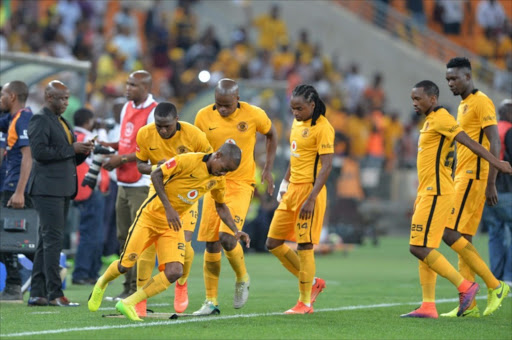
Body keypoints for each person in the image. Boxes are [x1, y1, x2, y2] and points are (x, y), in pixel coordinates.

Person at [88, 143, 250, 321]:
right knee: (125, 265)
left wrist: (236, 229)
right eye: (224, 168)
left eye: (228, 172)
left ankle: (128, 303)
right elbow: (157, 174)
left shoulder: (218, 180)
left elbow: (220, 205)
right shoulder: (188, 160)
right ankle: (101, 282)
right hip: (149, 217)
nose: (223, 173)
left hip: (171, 225)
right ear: (217, 155)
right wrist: (168, 208)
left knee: (174, 271)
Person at [400, 80, 512, 319]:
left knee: (421, 246)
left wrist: (497, 163)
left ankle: (467, 286)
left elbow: (471, 143)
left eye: (418, 99)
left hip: (437, 190)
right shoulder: (432, 120)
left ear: (432, 99)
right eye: (412, 99)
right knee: (425, 246)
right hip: (427, 190)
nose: (414, 103)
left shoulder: (442, 118)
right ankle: (428, 305)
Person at [193, 78, 277, 315]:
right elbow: (198, 148)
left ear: (237, 99)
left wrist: (268, 168)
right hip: (213, 182)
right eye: (218, 104)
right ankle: (211, 302)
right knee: (211, 242)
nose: (222, 109)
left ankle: (242, 277)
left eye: (227, 105)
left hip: (240, 183)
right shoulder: (202, 117)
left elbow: (272, 133)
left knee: (227, 237)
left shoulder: (253, 115)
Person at [441, 57, 510, 317]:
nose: (450, 83)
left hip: (474, 177)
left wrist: (491, 182)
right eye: (448, 79)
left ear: (468, 77)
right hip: (464, 175)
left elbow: (495, 142)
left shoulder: (481, 102)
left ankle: (495, 285)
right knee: (464, 239)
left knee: (448, 232)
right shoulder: (464, 105)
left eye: (455, 78)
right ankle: (468, 303)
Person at [133, 101, 212, 316]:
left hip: (187, 195)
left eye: (167, 126)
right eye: (159, 126)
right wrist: (156, 167)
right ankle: (140, 297)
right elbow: (140, 164)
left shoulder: (194, 135)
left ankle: (181, 283)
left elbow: (210, 162)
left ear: (176, 120)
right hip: (158, 192)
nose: (163, 130)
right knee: (147, 246)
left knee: (184, 245)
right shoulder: (145, 134)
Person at [265, 84, 333, 314]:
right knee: (273, 242)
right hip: (292, 189)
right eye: (292, 108)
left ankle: (304, 302)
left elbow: (326, 166)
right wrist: (284, 183)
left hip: (310, 191)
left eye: (300, 108)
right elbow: (295, 158)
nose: (295, 112)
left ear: (312, 105)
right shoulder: (296, 123)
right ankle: (313, 282)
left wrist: (312, 197)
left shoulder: (323, 128)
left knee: (305, 245)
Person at [26, 80, 94, 307]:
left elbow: (68, 158)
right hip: (47, 189)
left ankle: (38, 294)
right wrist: (71, 149)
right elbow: (40, 153)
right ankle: (55, 293)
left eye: (67, 98)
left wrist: (82, 152)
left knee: (46, 242)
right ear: (48, 97)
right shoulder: (39, 119)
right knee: (53, 241)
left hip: (61, 188)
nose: (65, 102)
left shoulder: (61, 121)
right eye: (61, 98)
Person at [101, 70, 157, 300]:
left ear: (145, 87)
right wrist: (110, 145)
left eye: (133, 85)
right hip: (124, 182)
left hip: (141, 183)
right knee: (123, 236)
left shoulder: (154, 112)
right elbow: (127, 143)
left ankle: (138, 287)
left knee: (139, 237)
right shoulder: (126, 107)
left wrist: (121, 159)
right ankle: (128, 285)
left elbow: (152, 149)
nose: (127, 88)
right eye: (127, 83)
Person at [0, 81, 33, 302]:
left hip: (14, 187)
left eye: (2, 94)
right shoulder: (12, 119)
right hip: (9, 185)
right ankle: (46, 270)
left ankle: (15, 283)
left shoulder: (23, 119)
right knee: (11, 237)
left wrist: (19, 191)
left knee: (9, 237)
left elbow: (27, 157)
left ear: (12, 96)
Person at [71, 108, 109, 285]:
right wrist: (101, 130)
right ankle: (85, 273)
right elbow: (107, 152)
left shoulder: (73, 136)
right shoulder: (88, 138)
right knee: (93, 233)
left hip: (77, 189)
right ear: (88, 122)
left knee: (87, 232)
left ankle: (88, 272)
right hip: (91, 189)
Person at [481, 99, 512, 286]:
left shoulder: (490, 130)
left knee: (495, 233)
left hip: (487, 188)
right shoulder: (509, 130)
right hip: (506, 190)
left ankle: (495, 278)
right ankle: (509, 276)